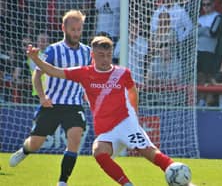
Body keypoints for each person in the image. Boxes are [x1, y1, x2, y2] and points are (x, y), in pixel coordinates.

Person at [25, 35, 196, 186]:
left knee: (149, 153)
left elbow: (132, 91)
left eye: (108, 55)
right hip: (106, 131)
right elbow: (55, 71)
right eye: (101, 55)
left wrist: (134, 114)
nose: (105, 59)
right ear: (92, 55)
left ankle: (185, 181)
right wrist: (37, 59)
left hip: (125, 122)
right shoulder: (84, 73)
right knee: (98, 151)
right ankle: (128, 184)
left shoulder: (122, 73)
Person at [9, 10, 91, 186]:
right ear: (64, 28)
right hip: (52, 103)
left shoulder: (87, 52)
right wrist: (41, 96)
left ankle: (62, 182)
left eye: (79, 29)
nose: (76, 33)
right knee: (36, 144)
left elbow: (90, 77)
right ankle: (24, 150)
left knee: (75, 138)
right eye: (73, 29)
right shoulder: (53, 50)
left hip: (74, 105)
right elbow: (37, 75)